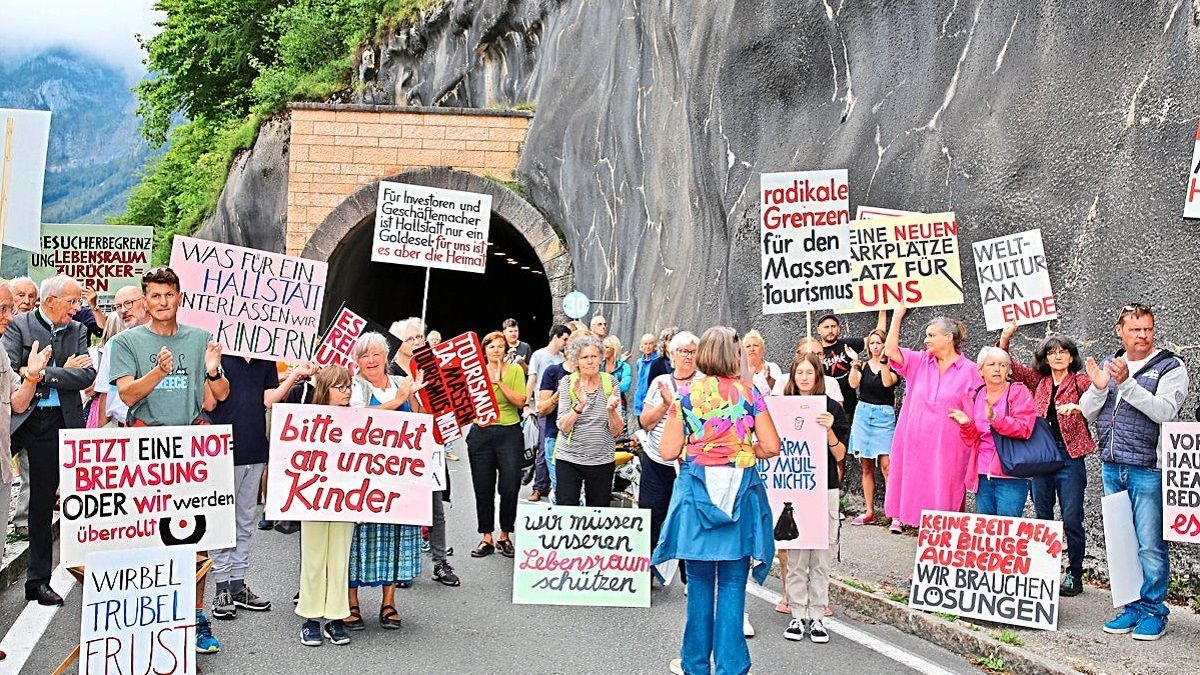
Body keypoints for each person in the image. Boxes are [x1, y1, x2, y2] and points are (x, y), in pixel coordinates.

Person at [106, 266, 228, 653]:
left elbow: (217, 397)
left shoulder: (198, 339)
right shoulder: (126, 342)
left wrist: (213, 369)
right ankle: (151, 621)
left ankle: (196, 619)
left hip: (191, 445)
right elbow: (126, 396)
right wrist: (159, 372)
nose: (162, 302)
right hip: (145, 445)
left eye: (168, 295)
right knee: (146, 536)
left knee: (196, 536)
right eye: (154, 296)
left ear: (179, 298)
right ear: (145, 300)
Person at [653, 327, 780, 675]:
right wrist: (739, 450)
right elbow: (771, 446)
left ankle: (694, 664)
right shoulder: (749, 393)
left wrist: (702, 447)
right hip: (740, 491)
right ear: (735, 355)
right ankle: (731, 666)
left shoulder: (686, 394)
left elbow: (666, 450)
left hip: (697, 494)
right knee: (733, 584)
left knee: (699, 585)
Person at [1081, 303, 1189, 641]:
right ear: (1120, 330)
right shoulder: (1110, 364)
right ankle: (1131, 607)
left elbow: (1164, 412)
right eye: (1135, 329)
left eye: (1148, 329)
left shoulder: (1171, 366)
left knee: (1150, 545)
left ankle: (1155, 611)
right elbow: (1086, 411)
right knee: (1122, 543)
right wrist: (1099, 387)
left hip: (1148, 468)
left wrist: (1126, 384)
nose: (1143, 336)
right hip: (1112, 465)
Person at [3, 275, 95, 608]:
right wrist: (58, 371)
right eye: (71, 301)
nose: (77, 308)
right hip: (18, 418)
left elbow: (86, 376)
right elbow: (11, 371)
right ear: (50, 300)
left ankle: (37, 581)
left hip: (56, 422)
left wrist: (44, 372)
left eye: (79, 302)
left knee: (42, 504)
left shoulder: (78, 330)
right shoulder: (20, 326)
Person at [210, 354, 314, 620]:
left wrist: (293, 376)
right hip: (222, 450)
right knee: (222, 523)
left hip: (255, 448)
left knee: (245, 520)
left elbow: (269, 399)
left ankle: (237, 582)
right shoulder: (220, 357)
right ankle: (221, 585)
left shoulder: (264, 360)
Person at [1000, 325, 1093, 596]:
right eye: (1052, 352)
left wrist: (1081, 407)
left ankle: (1074, 574)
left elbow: (1101, 393)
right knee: (1043, 519)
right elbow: (1009, 364)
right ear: (1045, 358)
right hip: (1041, 457)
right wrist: (1007, 337)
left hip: (1069, 456)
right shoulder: (1037, 381)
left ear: (1071, 356)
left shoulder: (1080, 381)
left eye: (1063, 352)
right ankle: (1044, 572)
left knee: (1072, 518)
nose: (1058, 357)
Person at [346, 332, 425, 630]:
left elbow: (418, 420)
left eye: (376, 354)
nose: (370, 360)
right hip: (361, 476)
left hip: (396, 476)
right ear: (357, 360)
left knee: (394, 536)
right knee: (356, 538)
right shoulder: (355, 386)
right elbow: (357, 418)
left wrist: (412, 396)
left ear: (386, 357)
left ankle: (388, 602)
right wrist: (400, 400)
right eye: (364, 355)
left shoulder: (399, 384)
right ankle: (351, 602)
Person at [882, 307, 981, 534]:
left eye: (931, 335)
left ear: (949, 338)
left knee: (945, 500)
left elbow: (979, 409)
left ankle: (943, 556)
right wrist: (897, 315)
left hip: (949, 448)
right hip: (915, 444)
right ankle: (927, 557)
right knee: (918, 499)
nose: (926, 340)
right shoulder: (919, 362)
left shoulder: (971, 370)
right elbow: (890, 350)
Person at [780, 352, 848, 644]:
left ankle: (817, 615)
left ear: (818, 376)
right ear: (793, 377)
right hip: (795, 489)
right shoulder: (781, 407)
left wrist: (829, 428)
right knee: (796, 556)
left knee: (820, 556)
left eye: (810, 372)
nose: (804, 378)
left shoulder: (832, 407)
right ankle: (797, 613)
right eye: (800, 373)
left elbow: (841, 454)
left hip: (825, 487)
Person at [388, 318, 460, 587]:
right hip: (399, 449)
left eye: (420, 337)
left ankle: (440, 562)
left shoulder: (432, 368)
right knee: (403, 509)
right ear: (398, 343)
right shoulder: (389, 371)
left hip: (430, 447)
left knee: (435, 509)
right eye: (411, 338)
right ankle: (402, 566)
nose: (418, 342)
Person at [0, 281, 52, 619]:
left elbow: (18, 403)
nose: (10, 315)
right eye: (3, 309)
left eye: (9, 308)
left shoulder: (1, 352)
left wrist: (32, 376)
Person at [297, 365, 356, 647]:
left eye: (348, 386)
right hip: (314, 497)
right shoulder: (307, 415)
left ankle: (335, 618)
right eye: (340, 387)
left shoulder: (359, 420)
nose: (346, 392)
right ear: (325, 389)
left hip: (345, 499)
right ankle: (310, 618)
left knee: (339, 557)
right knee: (314, 557)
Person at [950, 347, 1036, 517]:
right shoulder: (975, 396)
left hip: (1010, 473)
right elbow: (972, 439)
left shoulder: (1018, 391)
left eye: (1003, 365)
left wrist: (996, 419)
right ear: (981, 370)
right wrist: (966, 424)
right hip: (981, 474)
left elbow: (1025, 428)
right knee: (987, 530)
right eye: (991, 364)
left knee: (1007, 530)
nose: (997, 369)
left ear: (1009, 370)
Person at [639, 332, 700, 558]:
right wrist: (665, 405)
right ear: (672, 355)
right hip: (657, 460)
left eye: (693, 352)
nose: (688, 356)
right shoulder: (660, 382)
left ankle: (688, 578)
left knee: (689, 519)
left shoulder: (705, 384)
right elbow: (645, 422)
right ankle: (647, 570)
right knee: (652, 515)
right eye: (683, 351)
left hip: (691, 463)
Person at [468, 331, 527, 558]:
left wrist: (499, 382)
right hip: (481, 433)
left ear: (506, 350)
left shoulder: (514, 371)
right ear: (484, 350)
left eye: (500, 346)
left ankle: (505, 534)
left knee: (510, 486)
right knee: (483, 487)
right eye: (492, 346)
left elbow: (520, 401)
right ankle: (486, 537)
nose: (496, 350)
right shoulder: (475, 373)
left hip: (509, 432)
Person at [555, 335, 624, 506]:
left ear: (601, 358)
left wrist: (611, 411)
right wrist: (580, 405)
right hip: (569, 459)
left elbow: (617, 431)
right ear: (576, 361)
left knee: (598, 511)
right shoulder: (568, 383)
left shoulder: (611, 382)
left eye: (594, 356)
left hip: (602, 459)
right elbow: (563, 426)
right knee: (566, 509)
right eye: (584, 357)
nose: (590, 361)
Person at [847, 329, 897, 526]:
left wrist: (885, 362)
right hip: (863, 414)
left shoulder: (893, 367)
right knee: (866, 466)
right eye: (873, 343)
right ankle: (869, 511)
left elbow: (887, 383)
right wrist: (855, 363)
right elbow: (853, 385)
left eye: (879, 343)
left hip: (884, 417)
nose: (876, 347)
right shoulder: (864, 365)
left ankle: (893, 514)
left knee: (887, 467)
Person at [815, 311, 887, 418]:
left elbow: (876, 337)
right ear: (819, 330)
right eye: (826, 327)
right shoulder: (815, 350)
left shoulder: (848, 344)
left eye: (833, 326)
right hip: (824, 406)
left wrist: (883, 310)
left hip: (849, 407)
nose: (830, 330)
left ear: (839, 328)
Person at [537, 333, 581, 503]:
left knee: (579, 493)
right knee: (562, 490)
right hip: (556, 437)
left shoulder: (594, 377)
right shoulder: (553, 372)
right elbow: (542, 409)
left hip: (584, 441)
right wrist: (558, 395)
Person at [527, 324, 569, 501]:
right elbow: (532, 379)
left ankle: (550, 484)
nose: (566, 343)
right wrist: (527, 404)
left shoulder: (562, 358)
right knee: (544, 449)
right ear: (555, 337)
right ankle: (538, 487)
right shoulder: (539, 355)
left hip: (563, 408)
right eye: (564, 339)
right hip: (544, 406)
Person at [784, 338, 844, 405]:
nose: (816, 358)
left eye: (820, 354)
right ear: (798, 355)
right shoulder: (783, 380)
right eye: (811, 354)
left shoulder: (831, 382)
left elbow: (838, 412)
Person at [743, 330, 783, 398]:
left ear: (763, 348)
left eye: (755, 345)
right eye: (748, 346)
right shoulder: (739, 370)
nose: (752, 349)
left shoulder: (773, 367)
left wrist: (769, 379)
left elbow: (780, 392)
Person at [632, 333, 662, 418]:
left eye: (650, 343)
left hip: (651, 401)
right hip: (639, 402)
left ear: (655, 345)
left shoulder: (658, 361)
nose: (648, 347)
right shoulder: (639, 362)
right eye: (645, 344)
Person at [602, 334, 633, 399]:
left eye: (607, 347)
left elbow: (625, 386)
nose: (603, 349)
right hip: (599, 402)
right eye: (602, 347)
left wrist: (606, 389)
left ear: (614, 349)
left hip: (618, 402)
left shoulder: (624, 367)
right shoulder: (599, 365)